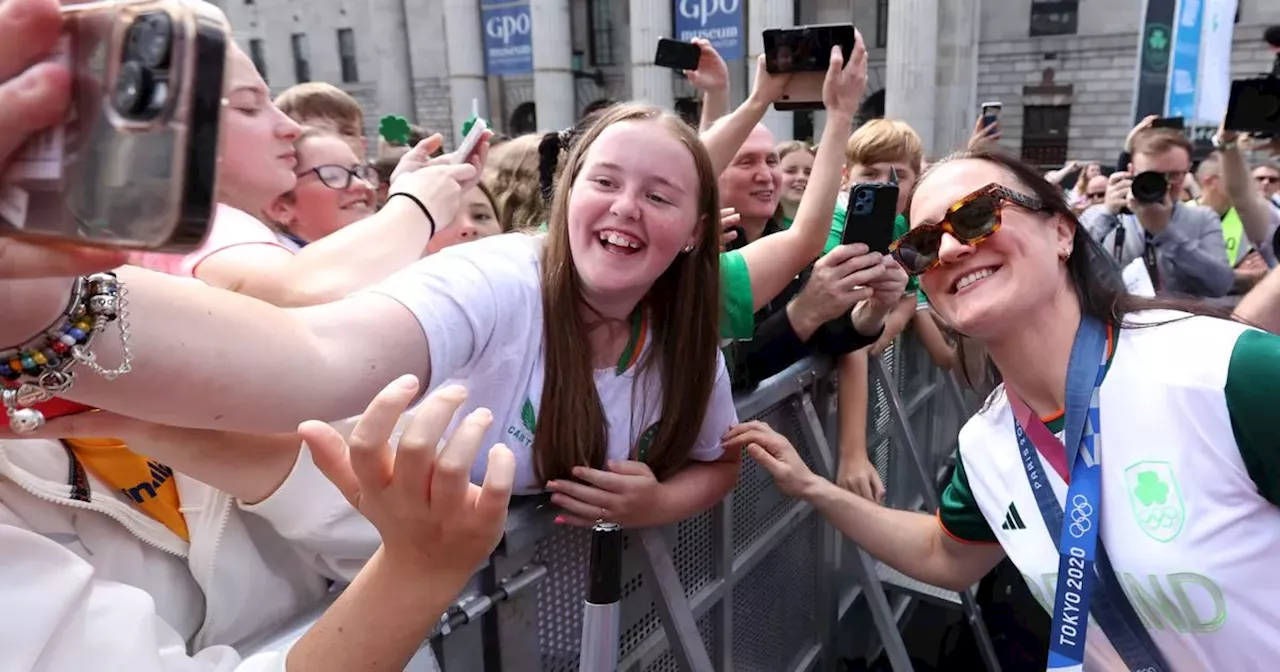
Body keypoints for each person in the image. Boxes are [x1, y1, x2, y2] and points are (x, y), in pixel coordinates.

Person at [1, 102, 739, 531]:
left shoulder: (683, 337)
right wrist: (46, 308)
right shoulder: (499, 276)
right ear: (567, 196)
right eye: (603, 181)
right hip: (430, 611)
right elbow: (314, 358)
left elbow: (720, 457)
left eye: (660, 195)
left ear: (697, 231)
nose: (623, 208)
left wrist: (660, 502)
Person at [731, 146, 1280, 671]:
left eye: (975, 216)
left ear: (1062, 231)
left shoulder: (1227, 373)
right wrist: (811, 486)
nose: (948, 250)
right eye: (922, 244)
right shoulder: (988, 441)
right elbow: (947, 556)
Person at [1081, 128, 1233, 298]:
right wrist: (1107, 214)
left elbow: (1222, 284)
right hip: (1116, 320)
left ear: (1187, 172)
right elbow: (1068, 266)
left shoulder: (1202, 218)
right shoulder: (1099, 215)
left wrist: (1165, 233)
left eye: (1174, 175)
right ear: (1131, 172)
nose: (1165, 185)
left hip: (1179, 320)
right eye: (1153, 176)